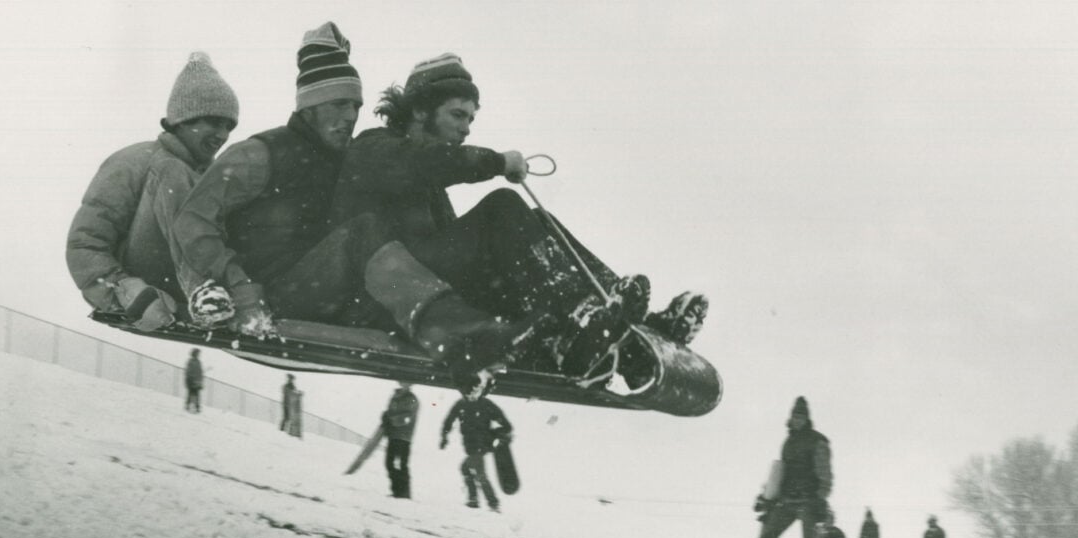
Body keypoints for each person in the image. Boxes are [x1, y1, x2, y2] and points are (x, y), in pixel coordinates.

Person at [169, 24, 541, 394]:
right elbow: (192, 221)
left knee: (392, 231)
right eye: (338, 104)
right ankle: (456, 336)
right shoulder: (261, 153)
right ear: (310, 107)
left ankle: (536, 329)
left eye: (356, 105)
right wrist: (239, 285)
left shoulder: (342, 158)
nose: (350, 115)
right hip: (276, 290)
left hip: (336, 287)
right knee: (364, 230)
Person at [331, 53, 710, 381]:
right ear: (419, 111)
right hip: (384, 297)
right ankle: (582, 316)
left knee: (539, 223)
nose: (466, 128)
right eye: (458, 115)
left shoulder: (432, 193)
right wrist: (494, 162)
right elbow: (423, 164)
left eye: (471, 120)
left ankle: (628, 334)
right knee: (501, 206)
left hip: (432, 289)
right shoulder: (373, 149)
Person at [66, 52, 239, 331]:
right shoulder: (137, 161)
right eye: (214, 122)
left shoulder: (213, 175)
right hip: (143, 284)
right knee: (172, 172)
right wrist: (124, 292)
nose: (222, 135)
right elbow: (85, 243)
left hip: (196, 283)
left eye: (229, 126)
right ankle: (205, 293)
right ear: (184, 120)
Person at [755, 397, 833, 538]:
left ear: (807, 418)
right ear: (791, 417)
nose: (797, 420)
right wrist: (767, 497)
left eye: (801, 416)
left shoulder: (818, 441)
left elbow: (825, 474)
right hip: (788, 499)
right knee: (768, 536)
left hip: (810, 501)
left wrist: (821, 499)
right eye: (795, 416)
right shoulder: (788, 442)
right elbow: (780, 473)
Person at [440, 394, 511, 512]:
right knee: (466, 468)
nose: (471, 395)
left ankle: (492, 503)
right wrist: (444, 436)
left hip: (481, 445)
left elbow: (507, 425)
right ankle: (475, 499)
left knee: (480, 473)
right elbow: (449, 420)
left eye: (475, 390)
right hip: (471, 446)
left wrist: (495, 434)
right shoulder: (461, 404)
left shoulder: (486, 404)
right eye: (469, 391)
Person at [381, 383, 419, 498]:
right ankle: (397, 491)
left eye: (407, 384)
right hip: (393, 435)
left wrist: (391, 420)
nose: (404, 385)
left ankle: (404, 492)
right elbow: (389, 412)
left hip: (404, 437)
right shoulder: (395, 397)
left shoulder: (412, 399)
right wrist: (385, 417)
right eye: (403, 383)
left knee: (402, 465)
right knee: (389, 463)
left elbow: (407, 417)